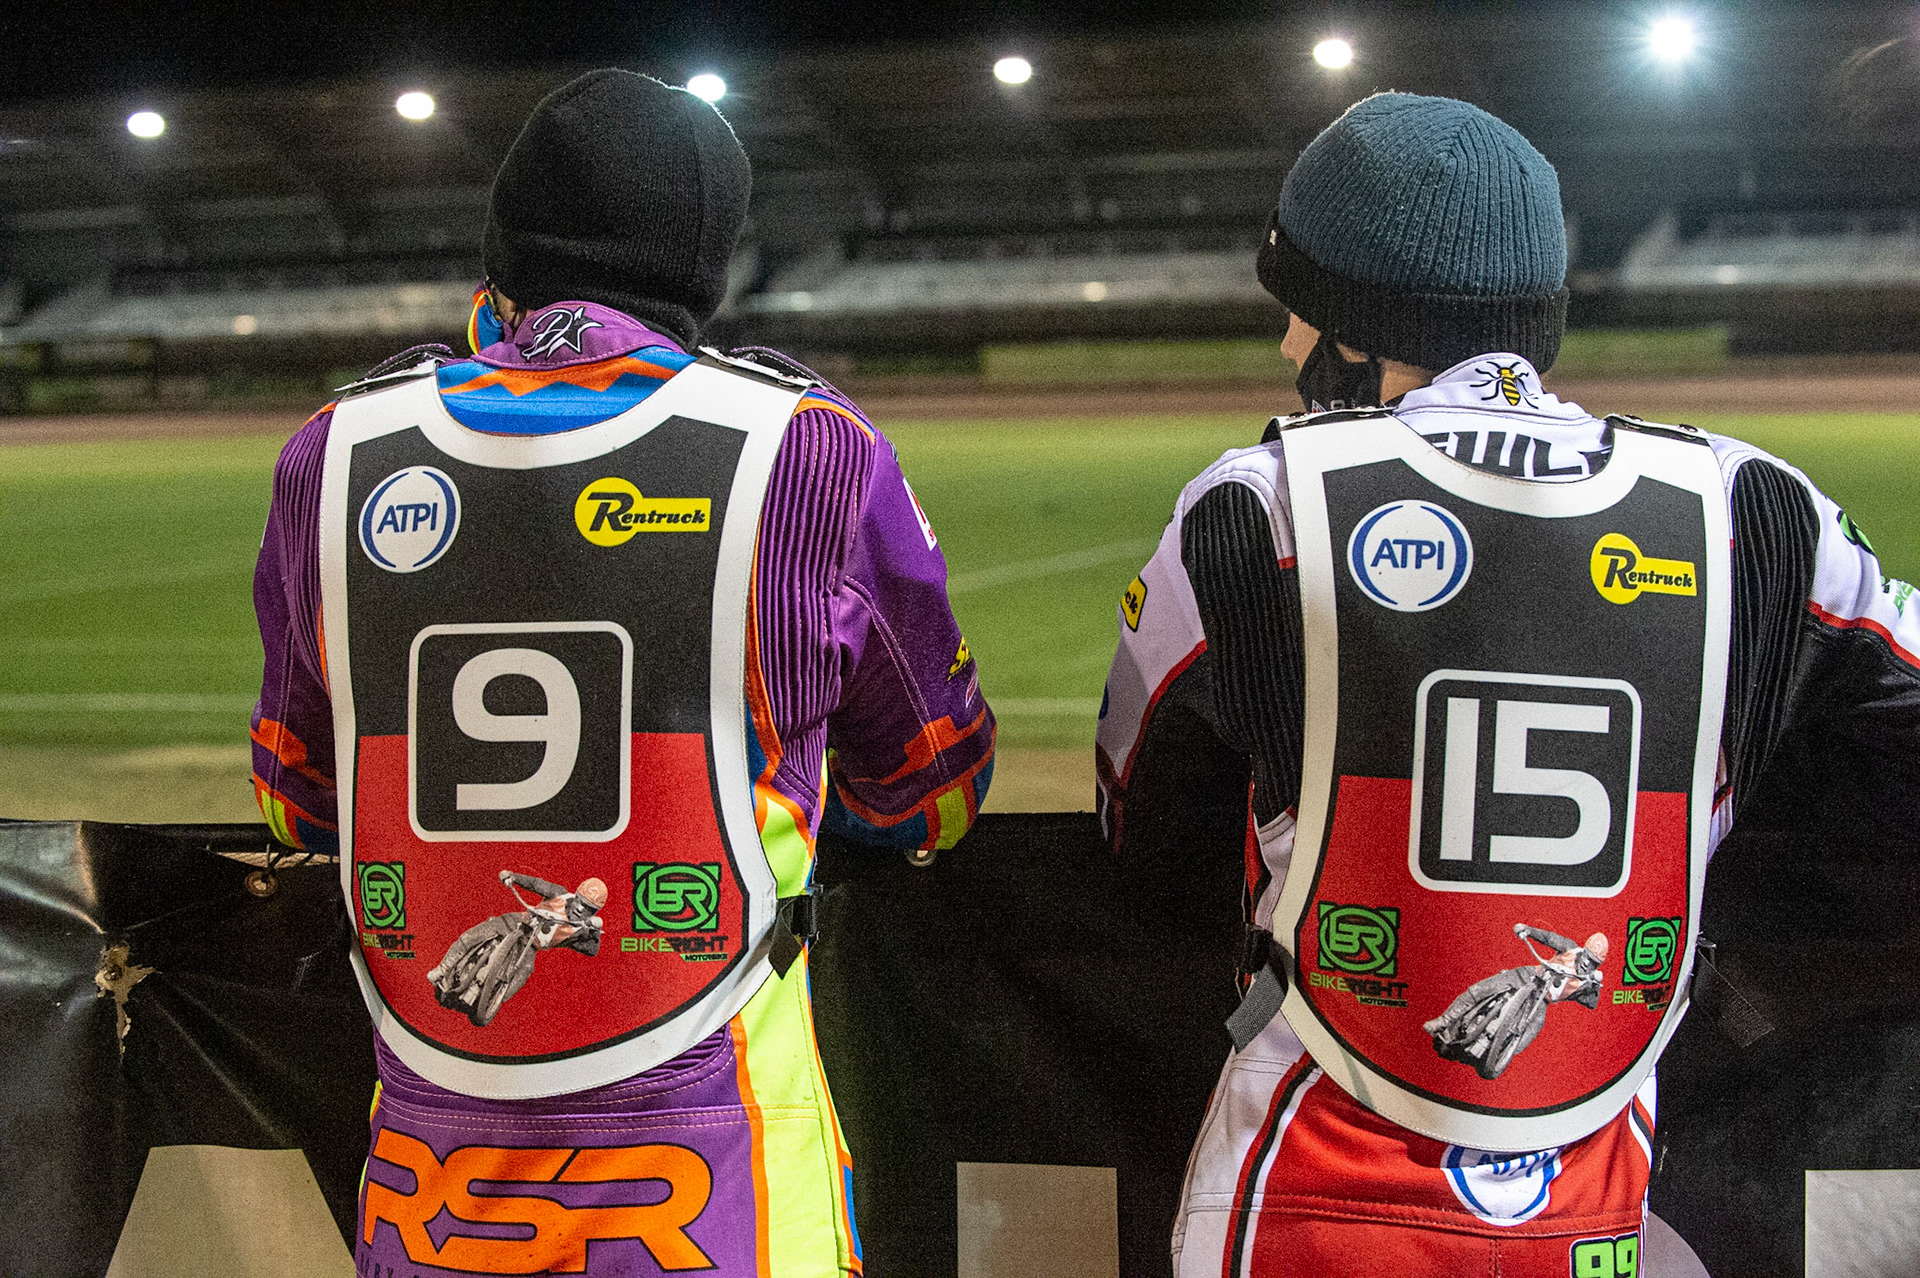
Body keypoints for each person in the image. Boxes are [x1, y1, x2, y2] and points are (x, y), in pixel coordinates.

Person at [1095, 92, 1920, 1274]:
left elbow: (1135, 815)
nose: (1285, 348)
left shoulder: (1251, 510)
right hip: (1595, 1185)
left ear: (1355, 331)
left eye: (1297, 311)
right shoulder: (1758, 514)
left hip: (1303, 1171)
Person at [250, 69, 993, 1277]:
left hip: (427, 1204)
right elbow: (937, 793)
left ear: (500, 260)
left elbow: (294, 799)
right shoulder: (808, 449)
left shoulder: (330, 454)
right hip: (725, 1193)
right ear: (710, 270)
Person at [1425, 925, 1607, 1080]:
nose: (1587, 964)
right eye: (1588, 957)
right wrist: (1527, 929)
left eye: (1594, 963)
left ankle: (1500, 1053)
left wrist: (1595, 987)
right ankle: (1443, 1021)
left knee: (1534, 1027)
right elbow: (1548, 937)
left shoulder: (1588, 983)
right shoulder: (1569, 948)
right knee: (1482, 988)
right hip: (1530, 976)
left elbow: (1594, 1004)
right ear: (1583, 951)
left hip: (1542, 1000)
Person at [427, 872, 608, 1026]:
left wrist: (594, 931)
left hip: (531, 947)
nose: (580, 909)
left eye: (589, 909)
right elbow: (535, 884)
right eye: (580, 902)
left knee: (524, 972)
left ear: (595, 912)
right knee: (474, 935)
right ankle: (442, 970)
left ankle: (491, 1000)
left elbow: (592, 950)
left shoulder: (582, 929)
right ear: (575, 896)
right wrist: (512, 876)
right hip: (518, 922)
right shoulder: (559, 894)